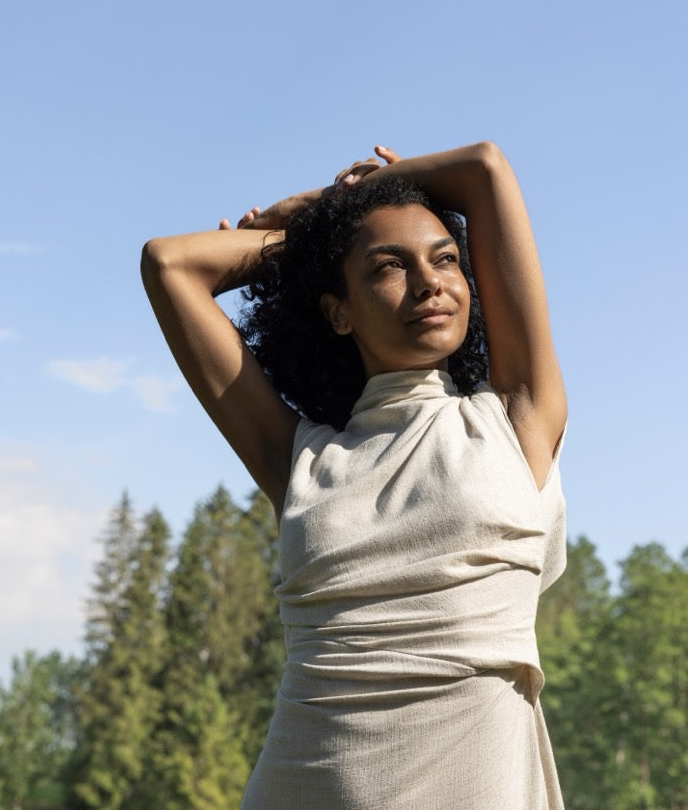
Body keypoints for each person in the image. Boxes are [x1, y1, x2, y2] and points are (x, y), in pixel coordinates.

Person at [140, 142, 567, 810]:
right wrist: (318, 232)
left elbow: (484, 169)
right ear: (338, 311)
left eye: (445, 259)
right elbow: (170, 263)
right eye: (388, 267)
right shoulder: (302, 459)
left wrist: (333, 204)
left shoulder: (516, 415)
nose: (429, 283)